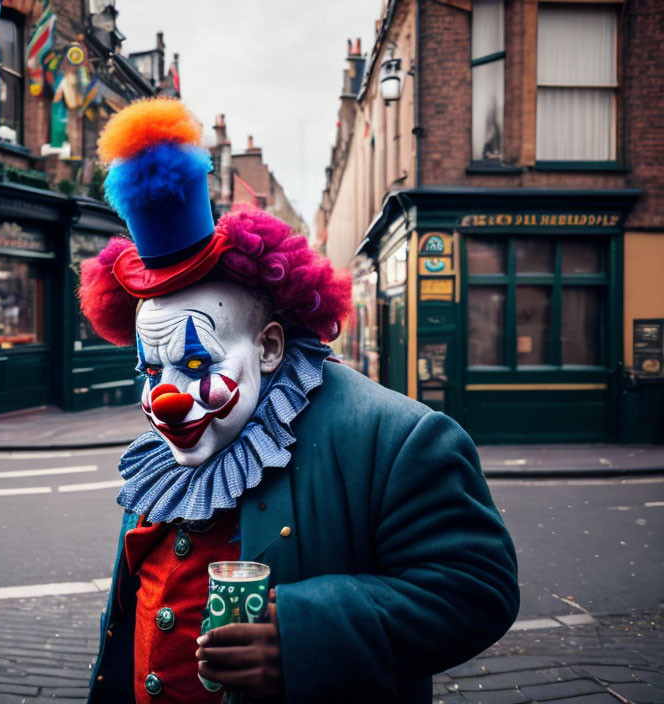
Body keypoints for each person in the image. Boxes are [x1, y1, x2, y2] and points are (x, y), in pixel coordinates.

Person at [82, 98, 518, 703]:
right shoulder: (162, 459)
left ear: (267, 347)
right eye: (149, 367)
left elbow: (476, 588)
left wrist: (305, 634)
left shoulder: (395, 436)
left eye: (196, 362)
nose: (165, 400)